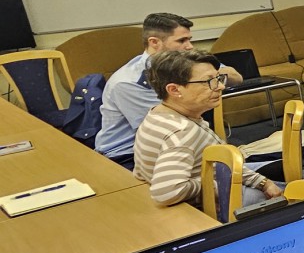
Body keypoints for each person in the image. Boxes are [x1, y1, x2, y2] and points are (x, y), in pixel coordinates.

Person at [132, 50, 282, 208]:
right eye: (208, 81)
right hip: (211, 207)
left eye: (218, 78)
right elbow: (167, 192)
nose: (221, 86)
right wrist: (215, 183)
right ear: (174, 90)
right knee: (287, 196)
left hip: (218, 173)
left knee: (274, 174)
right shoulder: (182, 132)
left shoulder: (158, 113)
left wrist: (263, 182)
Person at [96, 13, 241, 168]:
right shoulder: (128, 82)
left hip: (175, 141)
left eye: (189, 39)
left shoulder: (185, 64)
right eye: (181, 41)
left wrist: (209, 77)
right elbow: (162, 129)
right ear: (154, 42)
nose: (189, 46)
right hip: (127, 154)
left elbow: (236, 77)